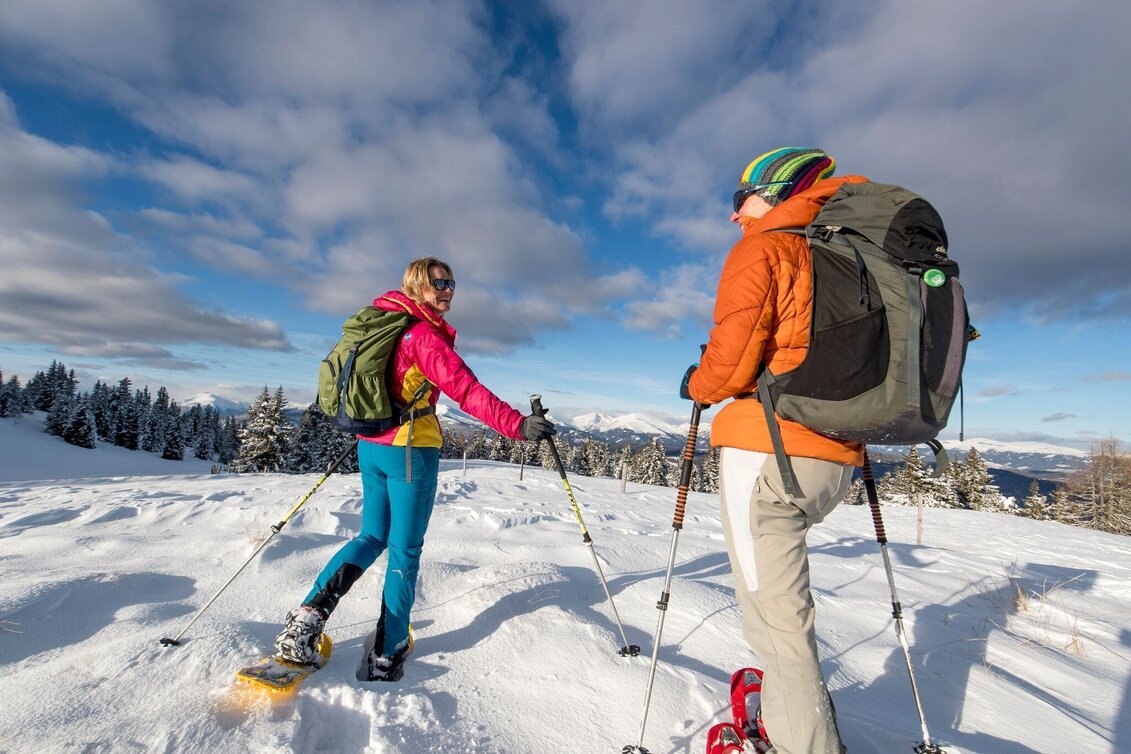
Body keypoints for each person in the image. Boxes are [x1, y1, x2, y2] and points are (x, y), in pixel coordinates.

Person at [274, 256, 556, 682]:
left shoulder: (381, 322)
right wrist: (516, 424)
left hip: (371, 445)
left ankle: (307, 618)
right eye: (438, 283)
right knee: (404, 549)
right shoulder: (423, 336)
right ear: (417, 286)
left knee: (371, 536)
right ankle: (388, 650)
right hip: (410, 449)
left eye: (451, 282)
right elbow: (466, 390)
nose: (447, 290)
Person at [682, 148, 866, 753]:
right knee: (781, 614)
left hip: (770, 454)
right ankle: (793, 713)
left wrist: (697, 384)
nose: (736, 216)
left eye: (743, 199)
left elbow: (730, 364)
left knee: (774, 620)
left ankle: (801, 744)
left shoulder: (767, 247)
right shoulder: (854, 252)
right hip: (837, 457)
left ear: (780, 190)